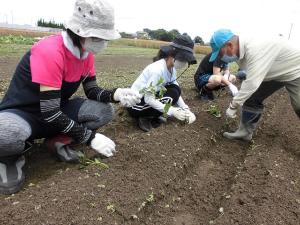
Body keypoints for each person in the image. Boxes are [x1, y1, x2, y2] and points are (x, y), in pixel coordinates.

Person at [0, 0, 142, 194]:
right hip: (23, 113)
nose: (103, 43)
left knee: (104, 110)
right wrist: (89, 137)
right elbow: (49, 112)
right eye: (99, 37)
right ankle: (9, 158)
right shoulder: (50, 51)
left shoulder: (86, 54)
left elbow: (92, 91)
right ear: (80, 32)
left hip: (55, 111)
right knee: (6, 133)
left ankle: (57, 139)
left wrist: (116, 94)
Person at [209, 28, 300, 141]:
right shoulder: (238, 53)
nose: (221, 58)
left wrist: (233, 105)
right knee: (252, 97)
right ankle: (244, 133)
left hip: (295, 69)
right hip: (271, 72)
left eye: (220, 53)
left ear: (230, 45)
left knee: (299, 104)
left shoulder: (255, 47)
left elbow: (252, 82)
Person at [127, 35, 197, 132]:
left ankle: (156, 114)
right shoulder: (157, 70)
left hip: (147, 100)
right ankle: (145, 117)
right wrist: (173, 111)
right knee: (169, 97)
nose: (184, 62)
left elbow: (176, 91)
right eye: (183, 59)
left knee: (175, 90)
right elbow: (148, 99)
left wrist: (185, 109)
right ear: (171, 54)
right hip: (136, 105)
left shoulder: (172, 69)